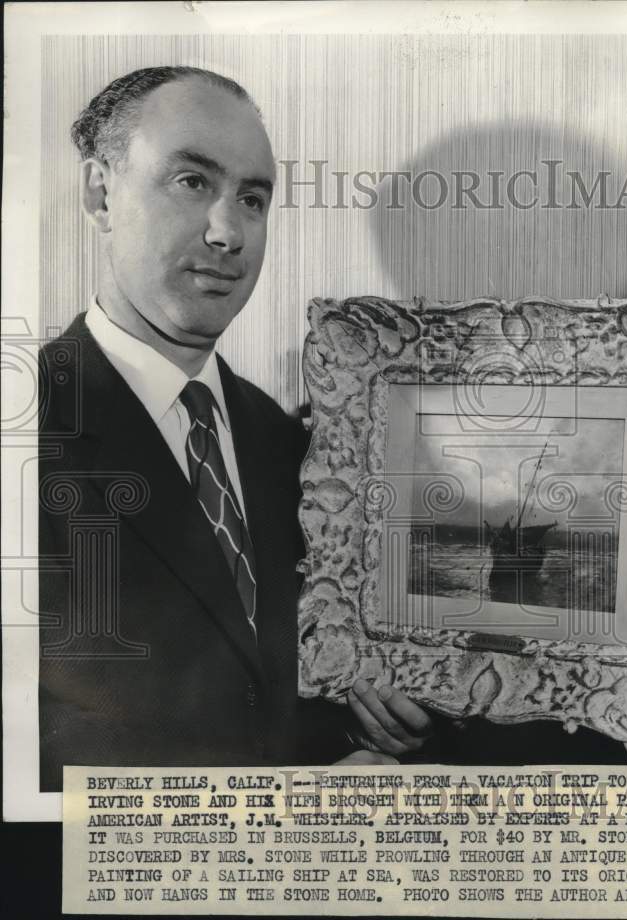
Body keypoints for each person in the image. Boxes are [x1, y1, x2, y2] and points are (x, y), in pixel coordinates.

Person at [37, 66, 430, 791]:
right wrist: (283, 810)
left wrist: (361, 705)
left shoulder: (287, 441)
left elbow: (262, 691)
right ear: (99, 193)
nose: (228, 232)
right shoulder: (23, 432)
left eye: (253, 199)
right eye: (191, 182)